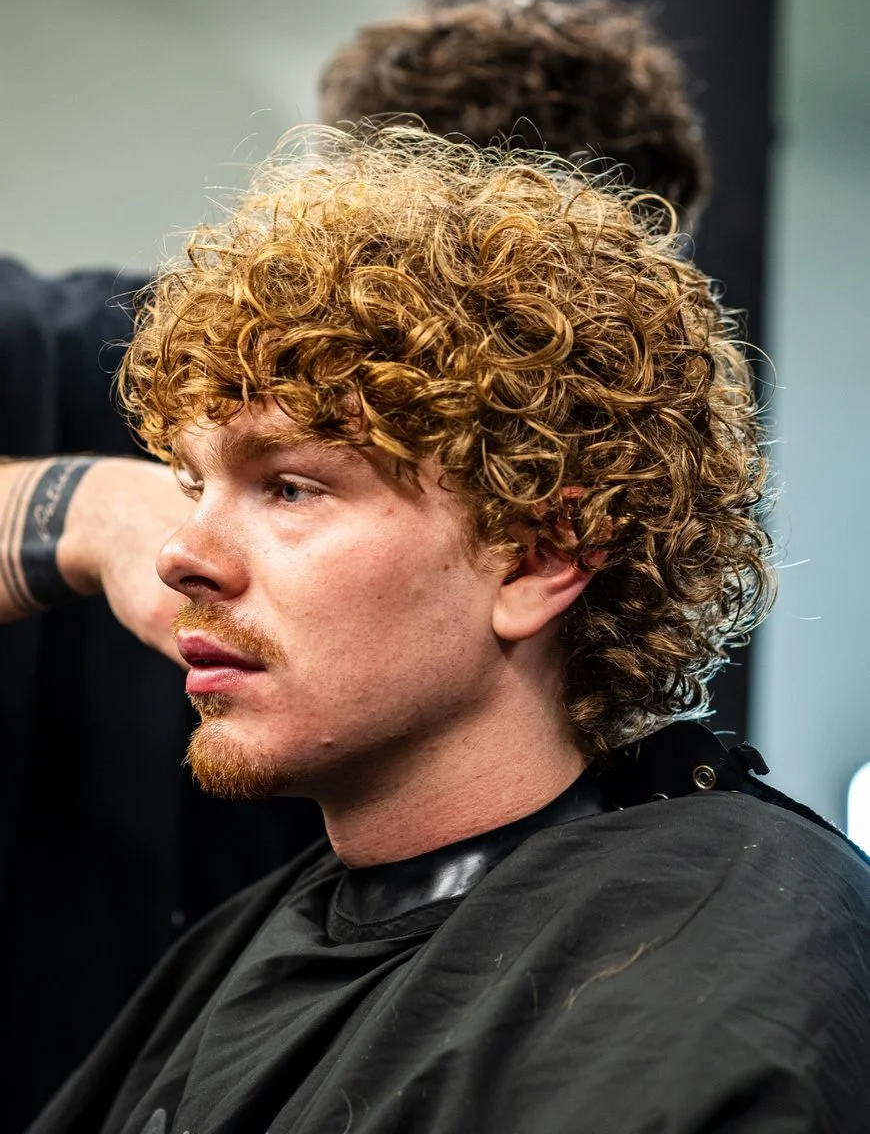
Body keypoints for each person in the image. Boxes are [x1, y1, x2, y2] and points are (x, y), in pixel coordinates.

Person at [6, 126, 868, 1133]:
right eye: (193, 484)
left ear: (543, 557)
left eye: (290, 487)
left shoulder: (733, 952)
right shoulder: (251, 945)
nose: (177, 555)